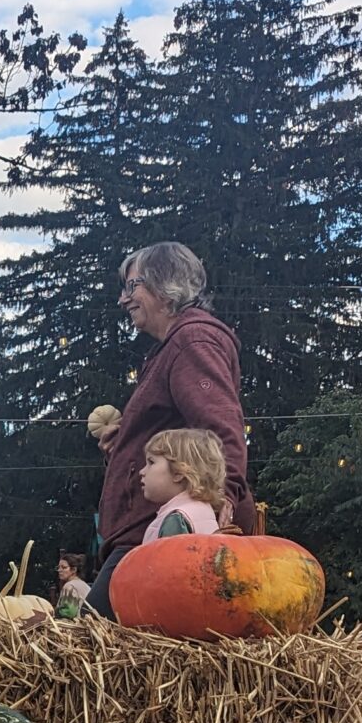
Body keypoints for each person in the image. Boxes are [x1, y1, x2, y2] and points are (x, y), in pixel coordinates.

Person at [84, 242, 256, 617]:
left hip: (165, 533)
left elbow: (220, 427)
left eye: (132, 286)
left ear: (165, 287)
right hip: (151, 530)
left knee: (92, 632)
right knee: (97, 634)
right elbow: (184, 432)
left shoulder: (192, 342)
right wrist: (128, 443)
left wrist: (225, 493)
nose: (123, 299)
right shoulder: (173, 348)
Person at [139, 428, 229, 541]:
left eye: (151, 462)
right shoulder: (204, 511)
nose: (142, 472)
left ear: (178, 473)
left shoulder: (176, 519)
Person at [53, 551, 92, 619]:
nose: (59, 570)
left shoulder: (70, 586)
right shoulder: (84, 585)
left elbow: (68, 612)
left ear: (74, 570)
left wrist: (54, 612)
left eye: (64, 567)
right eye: (58, 567)